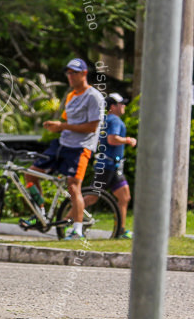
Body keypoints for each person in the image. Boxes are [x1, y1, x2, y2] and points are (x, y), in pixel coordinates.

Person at [25, 58, 104, 239]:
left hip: (81, 148)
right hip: (62, 143)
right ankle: (40, 213)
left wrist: (62, 126)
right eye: (68, 73)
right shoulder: (70, 96)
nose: (70, 76)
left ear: (84, 74)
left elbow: (92, 127)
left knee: (73, 186)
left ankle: (77, 230)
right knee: (31, 174)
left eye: (74, 73)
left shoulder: (94, 96)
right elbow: (69, 122)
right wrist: (56, 126)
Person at [88, 92, 136, 239]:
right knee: (91, 197)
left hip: (112, 166)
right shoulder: (114, 120)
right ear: (113, 106)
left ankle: (120, 230)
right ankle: (68, 220)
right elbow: (112, 140)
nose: (124, 106)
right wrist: (128, 140)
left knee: (124, 196)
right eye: (121, 104)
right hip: (107, 166)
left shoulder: (106, 120)